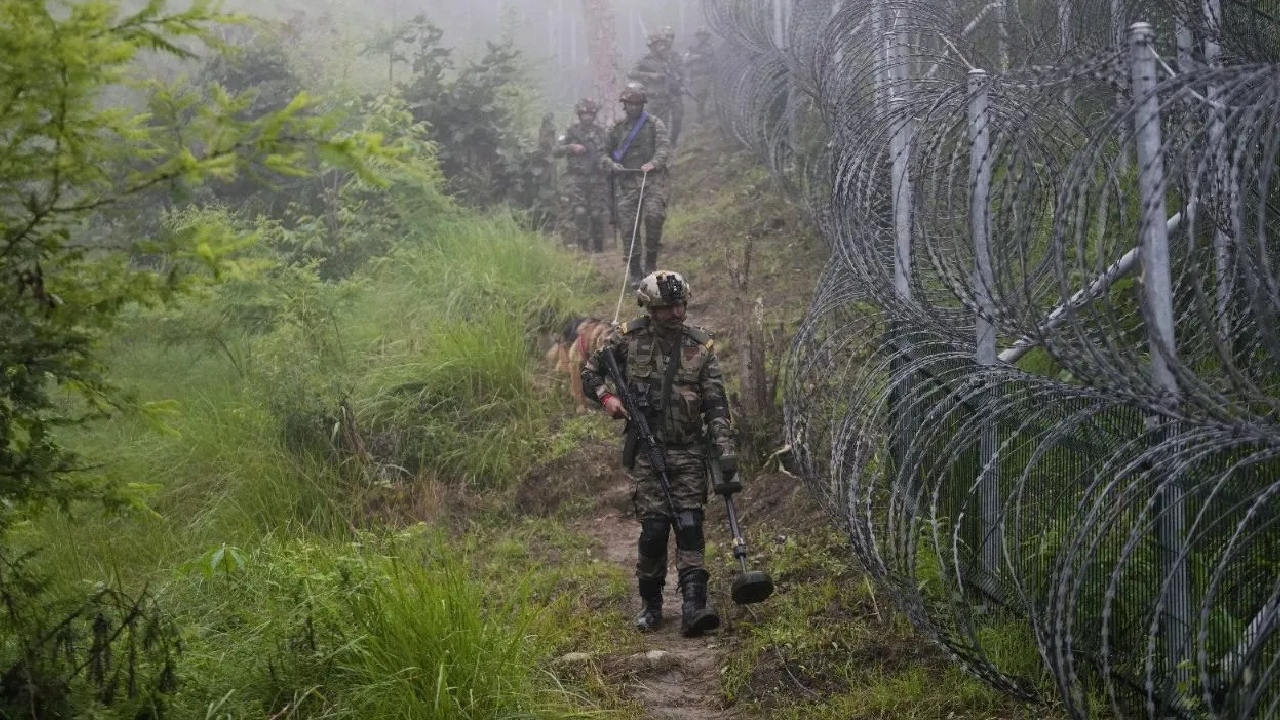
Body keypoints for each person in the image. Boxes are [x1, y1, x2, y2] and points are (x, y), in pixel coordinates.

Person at [580, 270, 738, 638]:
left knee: (689, 525)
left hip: (689, 452)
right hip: (648, 452)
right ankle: (651, 605)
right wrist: (608, 398)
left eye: (680, 305)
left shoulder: (700, 348)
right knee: (653, 530)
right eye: (668, 308)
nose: (677, 313)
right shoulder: (626, 340)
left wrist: (723, 448)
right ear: (650, 308)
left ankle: (694, 606)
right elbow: (590, 374)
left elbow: (716, 405)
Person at [601, 83, 671, 282]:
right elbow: (602, 155)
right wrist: (612, 165)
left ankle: (650, 262)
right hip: (626, 183)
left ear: (643, 104)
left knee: (654, 217)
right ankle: (634, 270)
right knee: (629, 229)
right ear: (624, 105)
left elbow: (664, 148)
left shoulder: (654, 124)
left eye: (637, 103)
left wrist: (654, 163)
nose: (633, 107)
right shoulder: (616, 129)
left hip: (652, 181)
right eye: (630, 103)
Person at [553, 98, 610, 252]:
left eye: (591, 114)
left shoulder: (601, 133)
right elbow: (555, 151)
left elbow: (610, 151)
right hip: (577, 178)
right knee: (580, 212)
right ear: (579, 115)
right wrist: (571, 147)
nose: (588, 117)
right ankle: (583, 246)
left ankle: (599, 248)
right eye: (584, 114)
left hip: (597, 178)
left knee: (597, 213)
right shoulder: (571, 132)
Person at [627, 32, 683, 146]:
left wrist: (676, 84)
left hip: (664, 100)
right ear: (652, 46)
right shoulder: (645, 60)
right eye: (659, 44)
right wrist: (650, 75)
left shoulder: (668, 61)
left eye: (663, 44)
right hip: (649, 100)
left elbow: (676, 77)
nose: (662, 47)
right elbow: (631, 73)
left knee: (662, 131)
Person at [685, 29, 715, 122]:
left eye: (705, 35)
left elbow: (708, 56)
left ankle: (701, 115)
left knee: (702, 94)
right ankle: (700, 113)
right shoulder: (693, 48)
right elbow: (686, 61)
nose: (703, 37)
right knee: (697, 95)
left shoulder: (708, 47)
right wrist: (692, 58)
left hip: (704, 75)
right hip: (694, 75)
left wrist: (696, 56)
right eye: (701, 35)